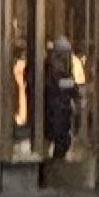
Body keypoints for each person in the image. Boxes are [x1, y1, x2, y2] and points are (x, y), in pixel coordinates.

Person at [38, 33, 80, 168]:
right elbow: (57, 83)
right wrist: (73, 87)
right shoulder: (53, 65)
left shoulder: (60, 64)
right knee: (60, 137)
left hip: (61, 106)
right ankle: (55, 165)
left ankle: (56, 163)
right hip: (56, 107)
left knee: (62, 138)